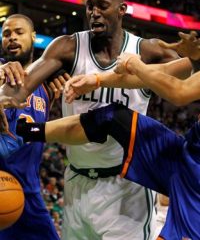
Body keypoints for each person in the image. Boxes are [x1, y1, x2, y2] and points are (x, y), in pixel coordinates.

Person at [0, 0, 192, 240]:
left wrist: (194, 56)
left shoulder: (146, 52)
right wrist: (4, 88)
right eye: (90, 7)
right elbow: (20, 88)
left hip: (127, 187)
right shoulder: (67, 47)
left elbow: (190, 79)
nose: (94, 13)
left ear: (122, 9)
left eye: (102, 6)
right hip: (78, 184)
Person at [12, 102, 200, 240]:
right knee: (113, 117)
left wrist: (133, 69)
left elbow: (180, 91)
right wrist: (28, 131)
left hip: (132, 190)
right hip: (187, 155)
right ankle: (26, 131)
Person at [0, 14, 60, 240]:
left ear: (34, 37)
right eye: (6, 34)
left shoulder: (47, 83)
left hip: (28, 193)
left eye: (18, 32)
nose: (12, 38)